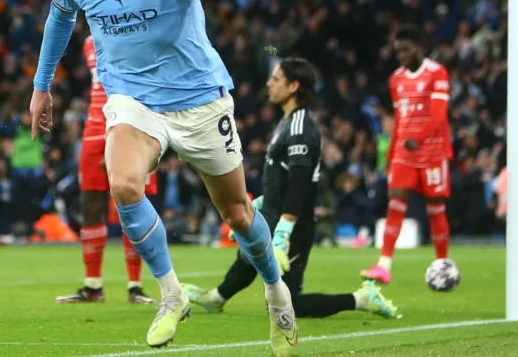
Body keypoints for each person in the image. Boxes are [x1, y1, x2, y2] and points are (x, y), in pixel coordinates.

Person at [30, 0, 297, 354]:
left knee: (238, 213)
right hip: (133, 99)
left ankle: (276, 290)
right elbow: (58, 21)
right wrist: (40, 85)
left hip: (199, 96)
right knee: (124, 183)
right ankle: (171, 294)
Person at [183, 59, 400, 320]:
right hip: (277, 214)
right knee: (250, 255)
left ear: (294, 86)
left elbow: (300, 181)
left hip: (294, 224)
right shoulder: (287, 123)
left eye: (276, 79)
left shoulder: (301, 126)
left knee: (289, 304)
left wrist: (285, 229)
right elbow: (283, 178)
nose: (269, 84)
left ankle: (362, 298)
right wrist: (260, 204)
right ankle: (216, 299)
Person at [56, 36, 157, 305]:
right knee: (90, 202)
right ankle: (92, 286)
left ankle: (135, 286)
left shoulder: (136, 31)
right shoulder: (89, 43)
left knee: (133, 203)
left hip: (131, 126)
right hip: (94, 130)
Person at [361, 25, 453, 284]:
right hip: (405, 152)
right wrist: (391, 155)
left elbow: (438, 115)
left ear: (419, 48)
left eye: (406, 50)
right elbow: (399, 120)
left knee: (436, 210)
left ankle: (441, 264)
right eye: (397, 51)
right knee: (395, 204)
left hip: (433, 152)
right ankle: (384, 265)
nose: (401, 55)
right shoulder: (396, 79)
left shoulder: (437, 73)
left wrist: (418, 138)